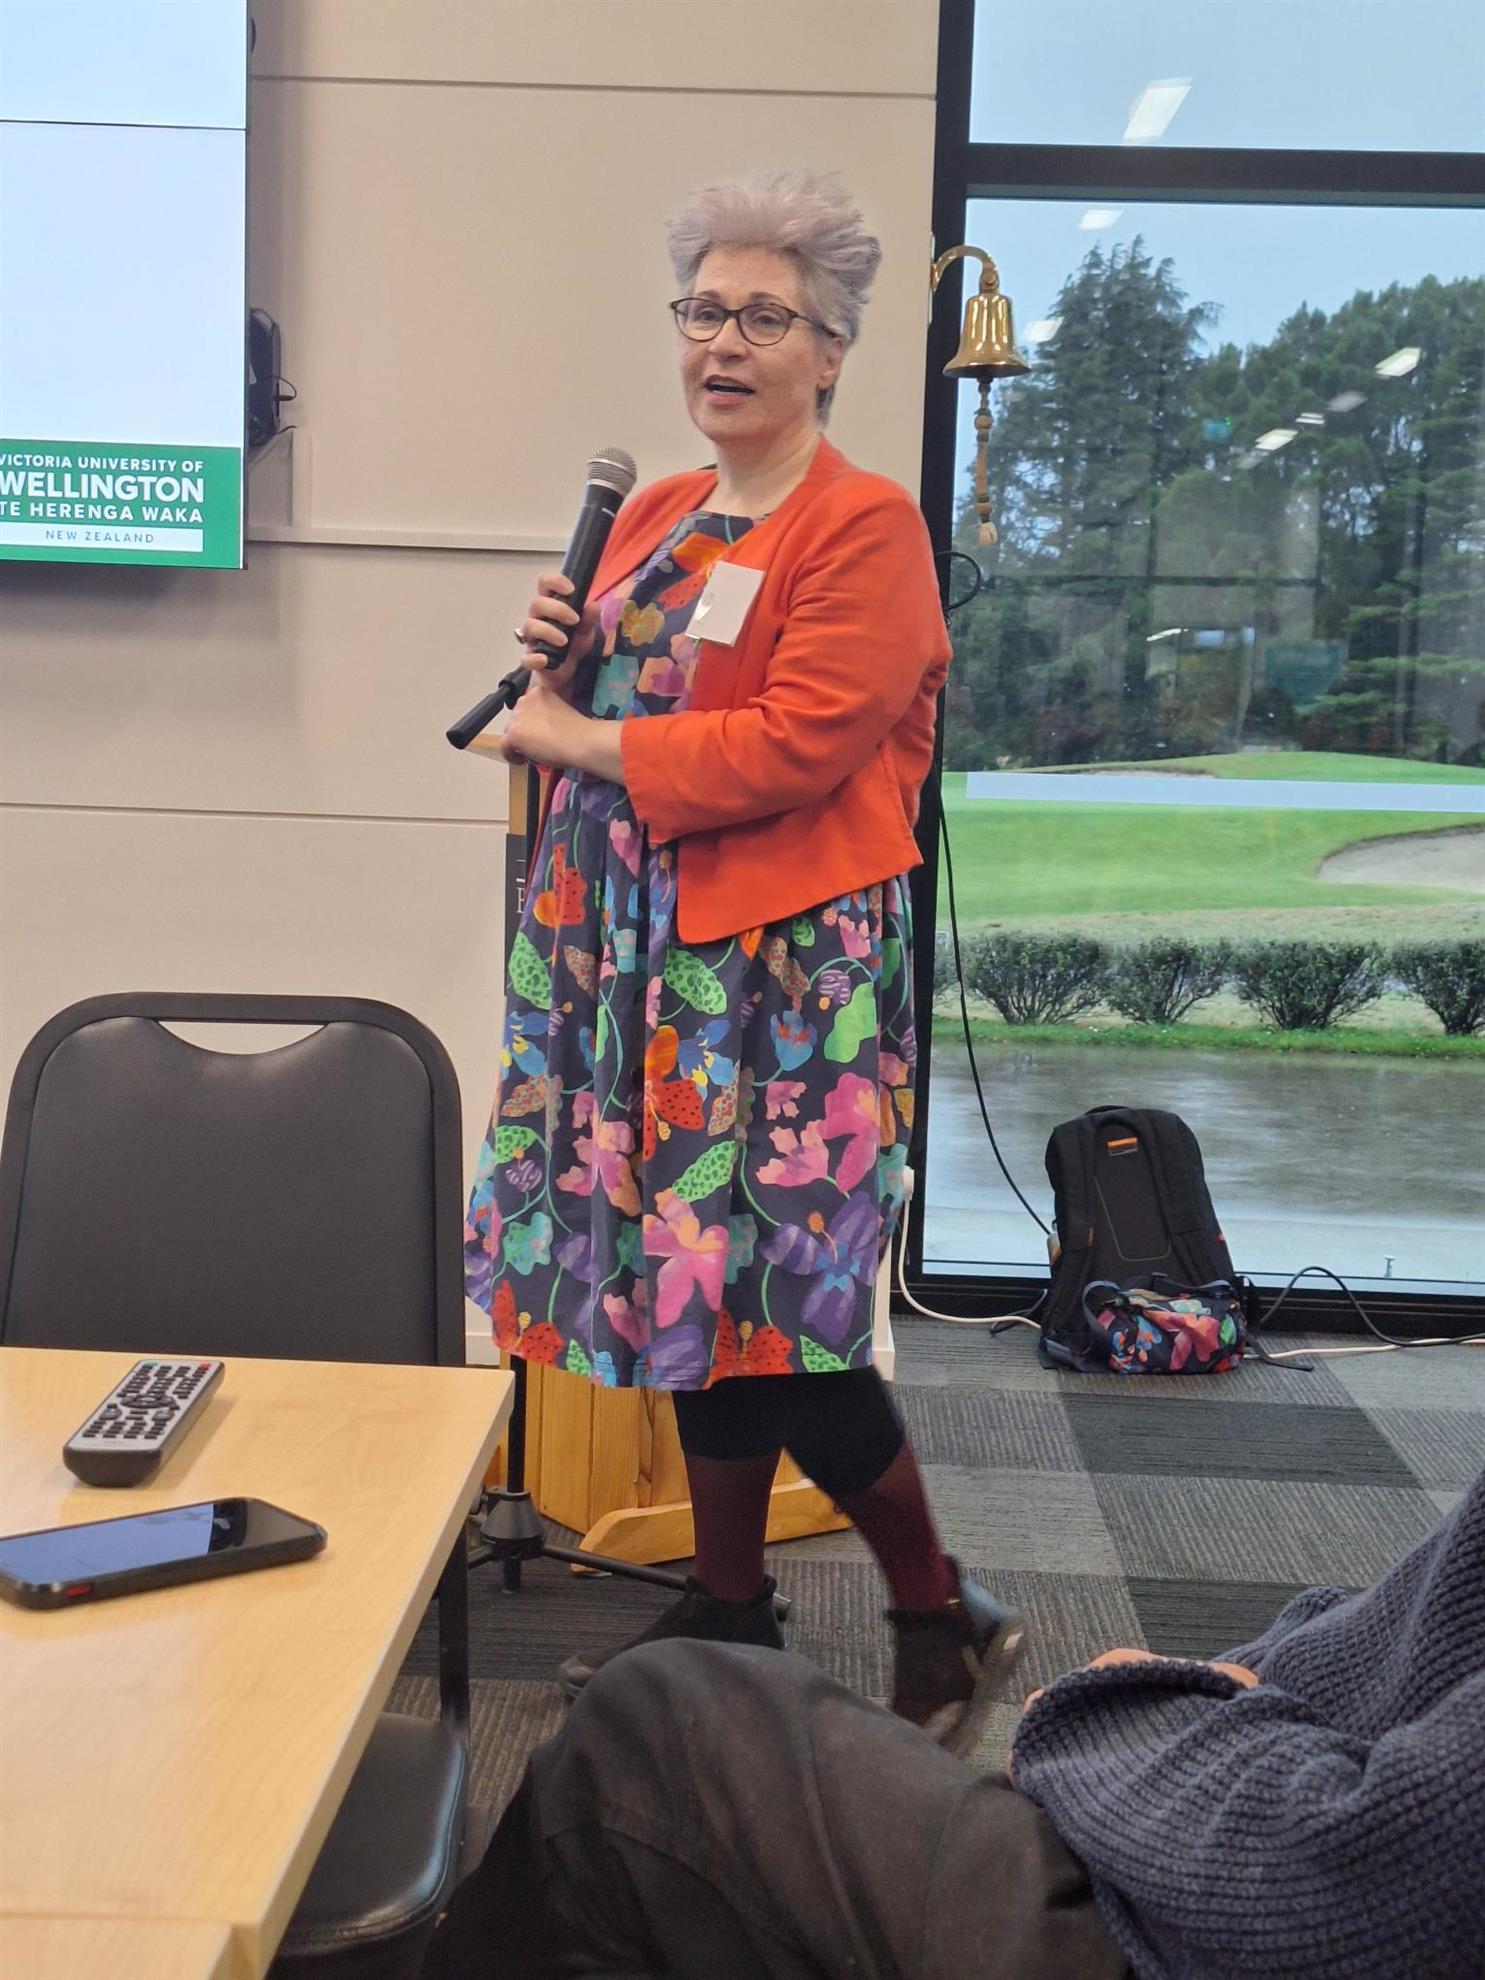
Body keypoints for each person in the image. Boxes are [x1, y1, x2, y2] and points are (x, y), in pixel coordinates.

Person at [463, 166, 1019, 1745]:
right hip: (634, 962)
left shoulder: (868, 526)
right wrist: (566, 655)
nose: (724, 343)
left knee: (778, 1307)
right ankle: (729, 1609)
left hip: (778, 984)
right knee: (683, 1286)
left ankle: (937, 1612)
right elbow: (617, 696)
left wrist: (575, 732)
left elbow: (789, 744)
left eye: (764, 318)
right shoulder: (655, 512)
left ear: (831, 351)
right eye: (704, 311)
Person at [424, 1465, 1485, 1980]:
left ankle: (923, 1603)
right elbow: (1417, 1616)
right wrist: (1233, 1687)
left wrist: (1146, 1717)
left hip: (1242, 1922)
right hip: (1285, 1773)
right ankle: (795, 1597)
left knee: (647, 1736)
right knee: (730, 1304)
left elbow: (1389, 1874)